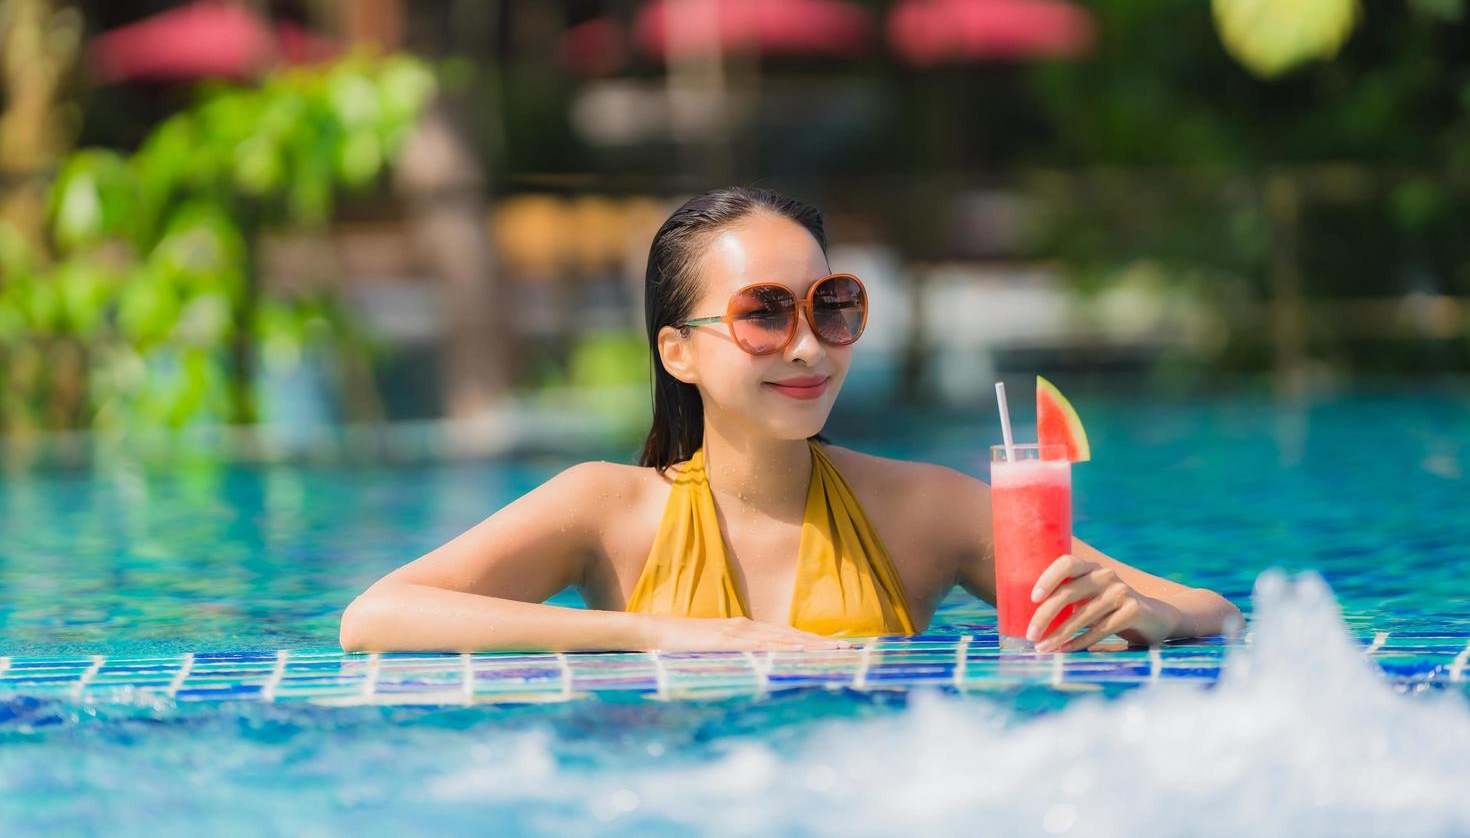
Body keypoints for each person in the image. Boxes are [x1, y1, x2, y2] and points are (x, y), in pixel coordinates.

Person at [339, 186, 1242, 654]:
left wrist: (1153, 617)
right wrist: (657, 633)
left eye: (832, 306)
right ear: (677, 352)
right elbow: (376, 617)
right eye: (765, 313)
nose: (809, 347)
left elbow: (1220, 613)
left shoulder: (925, 510)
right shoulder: (607, 511)